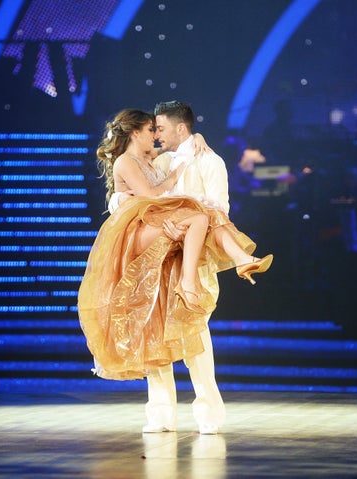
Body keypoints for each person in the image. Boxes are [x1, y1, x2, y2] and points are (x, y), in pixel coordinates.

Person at [78, 107, 272, 435]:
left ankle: (209, 415)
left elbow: (219, 209)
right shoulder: (160, 160)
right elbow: (125, 197)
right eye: (153, 129)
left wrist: (182, 216)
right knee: (154, 331)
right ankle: (161, 416)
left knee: (195, 332)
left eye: (162, 129)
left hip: (191, 256)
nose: (157, 135)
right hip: (158, 254)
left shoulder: (209, 162)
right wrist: (137, 209)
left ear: (180, 128)